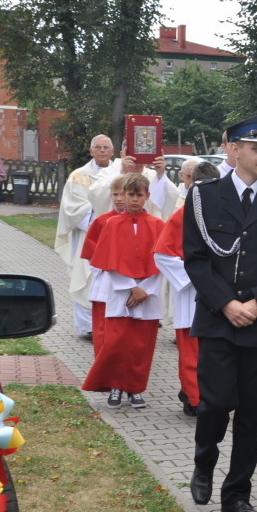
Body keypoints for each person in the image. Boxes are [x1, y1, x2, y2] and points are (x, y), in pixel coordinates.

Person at [183, 113, 257, 512]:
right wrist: (226, 304)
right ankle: (204, 462)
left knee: (253, 414)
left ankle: (237, 495)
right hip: (218, 320)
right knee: (215, 403)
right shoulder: (204, 196)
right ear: (233, 150)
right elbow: (195, 259)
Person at [81, 173, 165, 408]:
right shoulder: (112, 224)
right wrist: (130, 287)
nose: (135, 200)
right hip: (120, 292)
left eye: (139, 195)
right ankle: (116, 387)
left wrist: (144, 290)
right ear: (123, 196)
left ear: (147, 196)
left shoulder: (158, 225)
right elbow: (107, 260)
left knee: (141, 345)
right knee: (116, 343)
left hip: (148, 294)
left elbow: (162, 260)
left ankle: (135, 388)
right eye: (131, 195)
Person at [154, 161, 220, 416]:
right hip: (191, 293)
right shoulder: (182, 216)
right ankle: (194, 399)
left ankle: (211, 396)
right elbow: (162, 255)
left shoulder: (228, 214)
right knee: (191, 352)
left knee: (215, 353)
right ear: (191, 186)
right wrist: (197, 275)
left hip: (221, 295)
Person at [55, 135, 121, 336]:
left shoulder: (120, 172)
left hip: (116, 234)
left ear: (112, 151)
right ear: (91, 151)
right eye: (98, 147)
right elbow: (70, 207)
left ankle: (110, 323)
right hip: (87, 234)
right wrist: (96, 217)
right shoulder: (78, 175)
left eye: (106, 147)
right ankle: (87, 328)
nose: (102, 150)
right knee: (84, 277)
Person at [81, 176, 127, 357]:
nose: (119, 199)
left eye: (123, 194)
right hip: (105, 280)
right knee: (102, 327)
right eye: (115, 194)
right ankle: (102, 360)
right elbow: (91, 252)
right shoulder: (102, 221)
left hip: (131, 283)